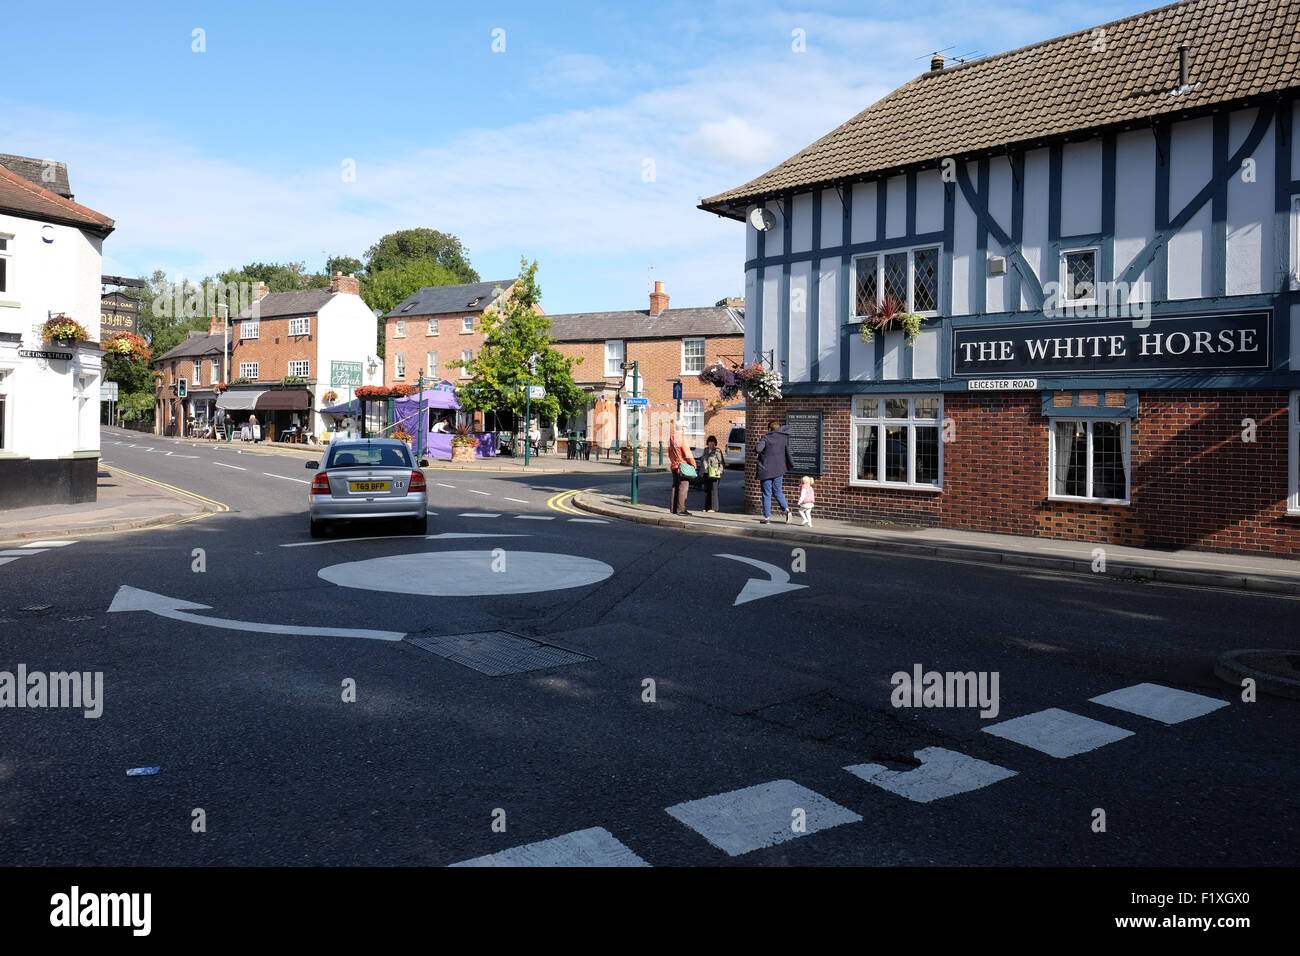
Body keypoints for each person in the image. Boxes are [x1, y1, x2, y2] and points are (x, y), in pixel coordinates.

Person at [754, 418, 795, 524]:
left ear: (769, 429)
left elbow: (758, 449)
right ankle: (787, 510)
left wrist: (756, 448)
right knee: (778, 491)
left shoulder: (766, 438)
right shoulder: (783, 438)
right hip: (779, 469)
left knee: (766, 493)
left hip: (766, 470)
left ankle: (767, 518)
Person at [667, 423, 696, 516]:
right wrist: (693, 464)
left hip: (674, 465)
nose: (685, 430)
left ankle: (673, 509)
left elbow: (669, 453)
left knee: (675, 486)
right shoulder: (681, 438)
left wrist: (673, 462)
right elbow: (687, 453)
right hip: (682, 466)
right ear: (682, 428)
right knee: (683, 487)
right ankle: (681, 509)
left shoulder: (671, 439)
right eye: (685, 428)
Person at [697, 435, 725, 513]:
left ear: (715, 444)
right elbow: (702, 459)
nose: (711, 445)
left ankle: (714, 508)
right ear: (708, 443)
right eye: (710, 444)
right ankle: (707, 508)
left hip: (714, 473)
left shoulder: (717, 451)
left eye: (713, 444)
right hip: (705, 473)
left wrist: (720, 470)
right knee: (707, 490)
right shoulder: (705, 450)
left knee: (714, 490)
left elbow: (722, 462)